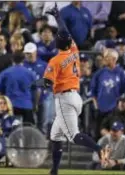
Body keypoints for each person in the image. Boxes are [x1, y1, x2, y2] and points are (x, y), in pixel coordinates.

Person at [33, 4, 106, 175]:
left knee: (73, 136)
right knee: (55, 136)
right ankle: (54, 171)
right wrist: (58, 17)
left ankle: (98, 148)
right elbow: (65, 31)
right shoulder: (73, 50)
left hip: (65, 100)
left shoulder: (56, 60)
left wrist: (32, 83)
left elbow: (46, 83)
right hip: (75, 96)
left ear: (58, 42)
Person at [0, 51, 36, 125]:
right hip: (27, 106)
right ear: (23, 59)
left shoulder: (5, 73)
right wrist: (35, 104)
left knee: (11, 132)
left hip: (11, 106)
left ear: (12, 59)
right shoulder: (30, 73)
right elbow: (37, 91)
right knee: (28, 132)